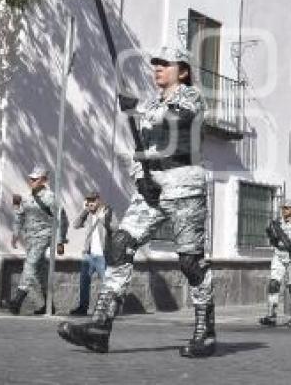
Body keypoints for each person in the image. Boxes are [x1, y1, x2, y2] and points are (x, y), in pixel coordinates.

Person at [57, 46, 216, 357]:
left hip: (183, 183)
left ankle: (205, 332)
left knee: (190, 262)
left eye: (165, 64)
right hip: (150, 187)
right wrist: (139, 177)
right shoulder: (152, 102)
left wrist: (137, 110)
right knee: (119, 244)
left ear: (181, 71)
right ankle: (100, 327)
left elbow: (175, 121)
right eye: (155, 63)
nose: (157, 67)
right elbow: (141, 147)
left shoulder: (190, 97)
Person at [1, 166, 68, 315]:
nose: (31, 181)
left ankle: (17, 300)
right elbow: (20, 215)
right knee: (41, 271)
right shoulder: (27, 197)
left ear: (44, 180)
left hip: (44, 236)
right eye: (30, 179)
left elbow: (61, 219)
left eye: (35, 179)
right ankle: (49, 304)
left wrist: (60, 241)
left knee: (30, 265)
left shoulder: (50, 198)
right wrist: (15, 233)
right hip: (30, 238)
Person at [261, 199, 291, 326]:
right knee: (273, 283)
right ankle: (271, 314)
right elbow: (272, 238)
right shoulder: (277, 223)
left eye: (287, 208)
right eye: (283, 208)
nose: (284, 210)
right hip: (279, 254)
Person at [70, 192, 116, 316]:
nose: (91, 203)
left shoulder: (108, 211)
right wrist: (85, 211)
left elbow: (115, 229)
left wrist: (102, 219)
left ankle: (109, 308)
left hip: (102, 255)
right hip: (89, 255)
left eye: (93, 200)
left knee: (107, 283)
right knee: (84, 282)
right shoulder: (88, 214)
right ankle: (83, 307)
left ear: (98, 200)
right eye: (88, 200)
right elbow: (76, 225)